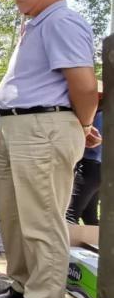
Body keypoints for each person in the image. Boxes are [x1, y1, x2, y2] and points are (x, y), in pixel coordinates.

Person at [0, 0, 100, 298]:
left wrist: (81, 125)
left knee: (41, 220)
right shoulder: (35, 25)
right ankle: (22, 284)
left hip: (42, 128)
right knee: (14, 216)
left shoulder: (63, 21)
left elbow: (84, 86)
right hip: (19, 127)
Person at [67, 81, 103, 225]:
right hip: (98, 169)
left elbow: (93, 143)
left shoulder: (97, 116)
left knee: (70, 215)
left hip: (89, 167)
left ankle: (65, 247)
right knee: (90, 217)